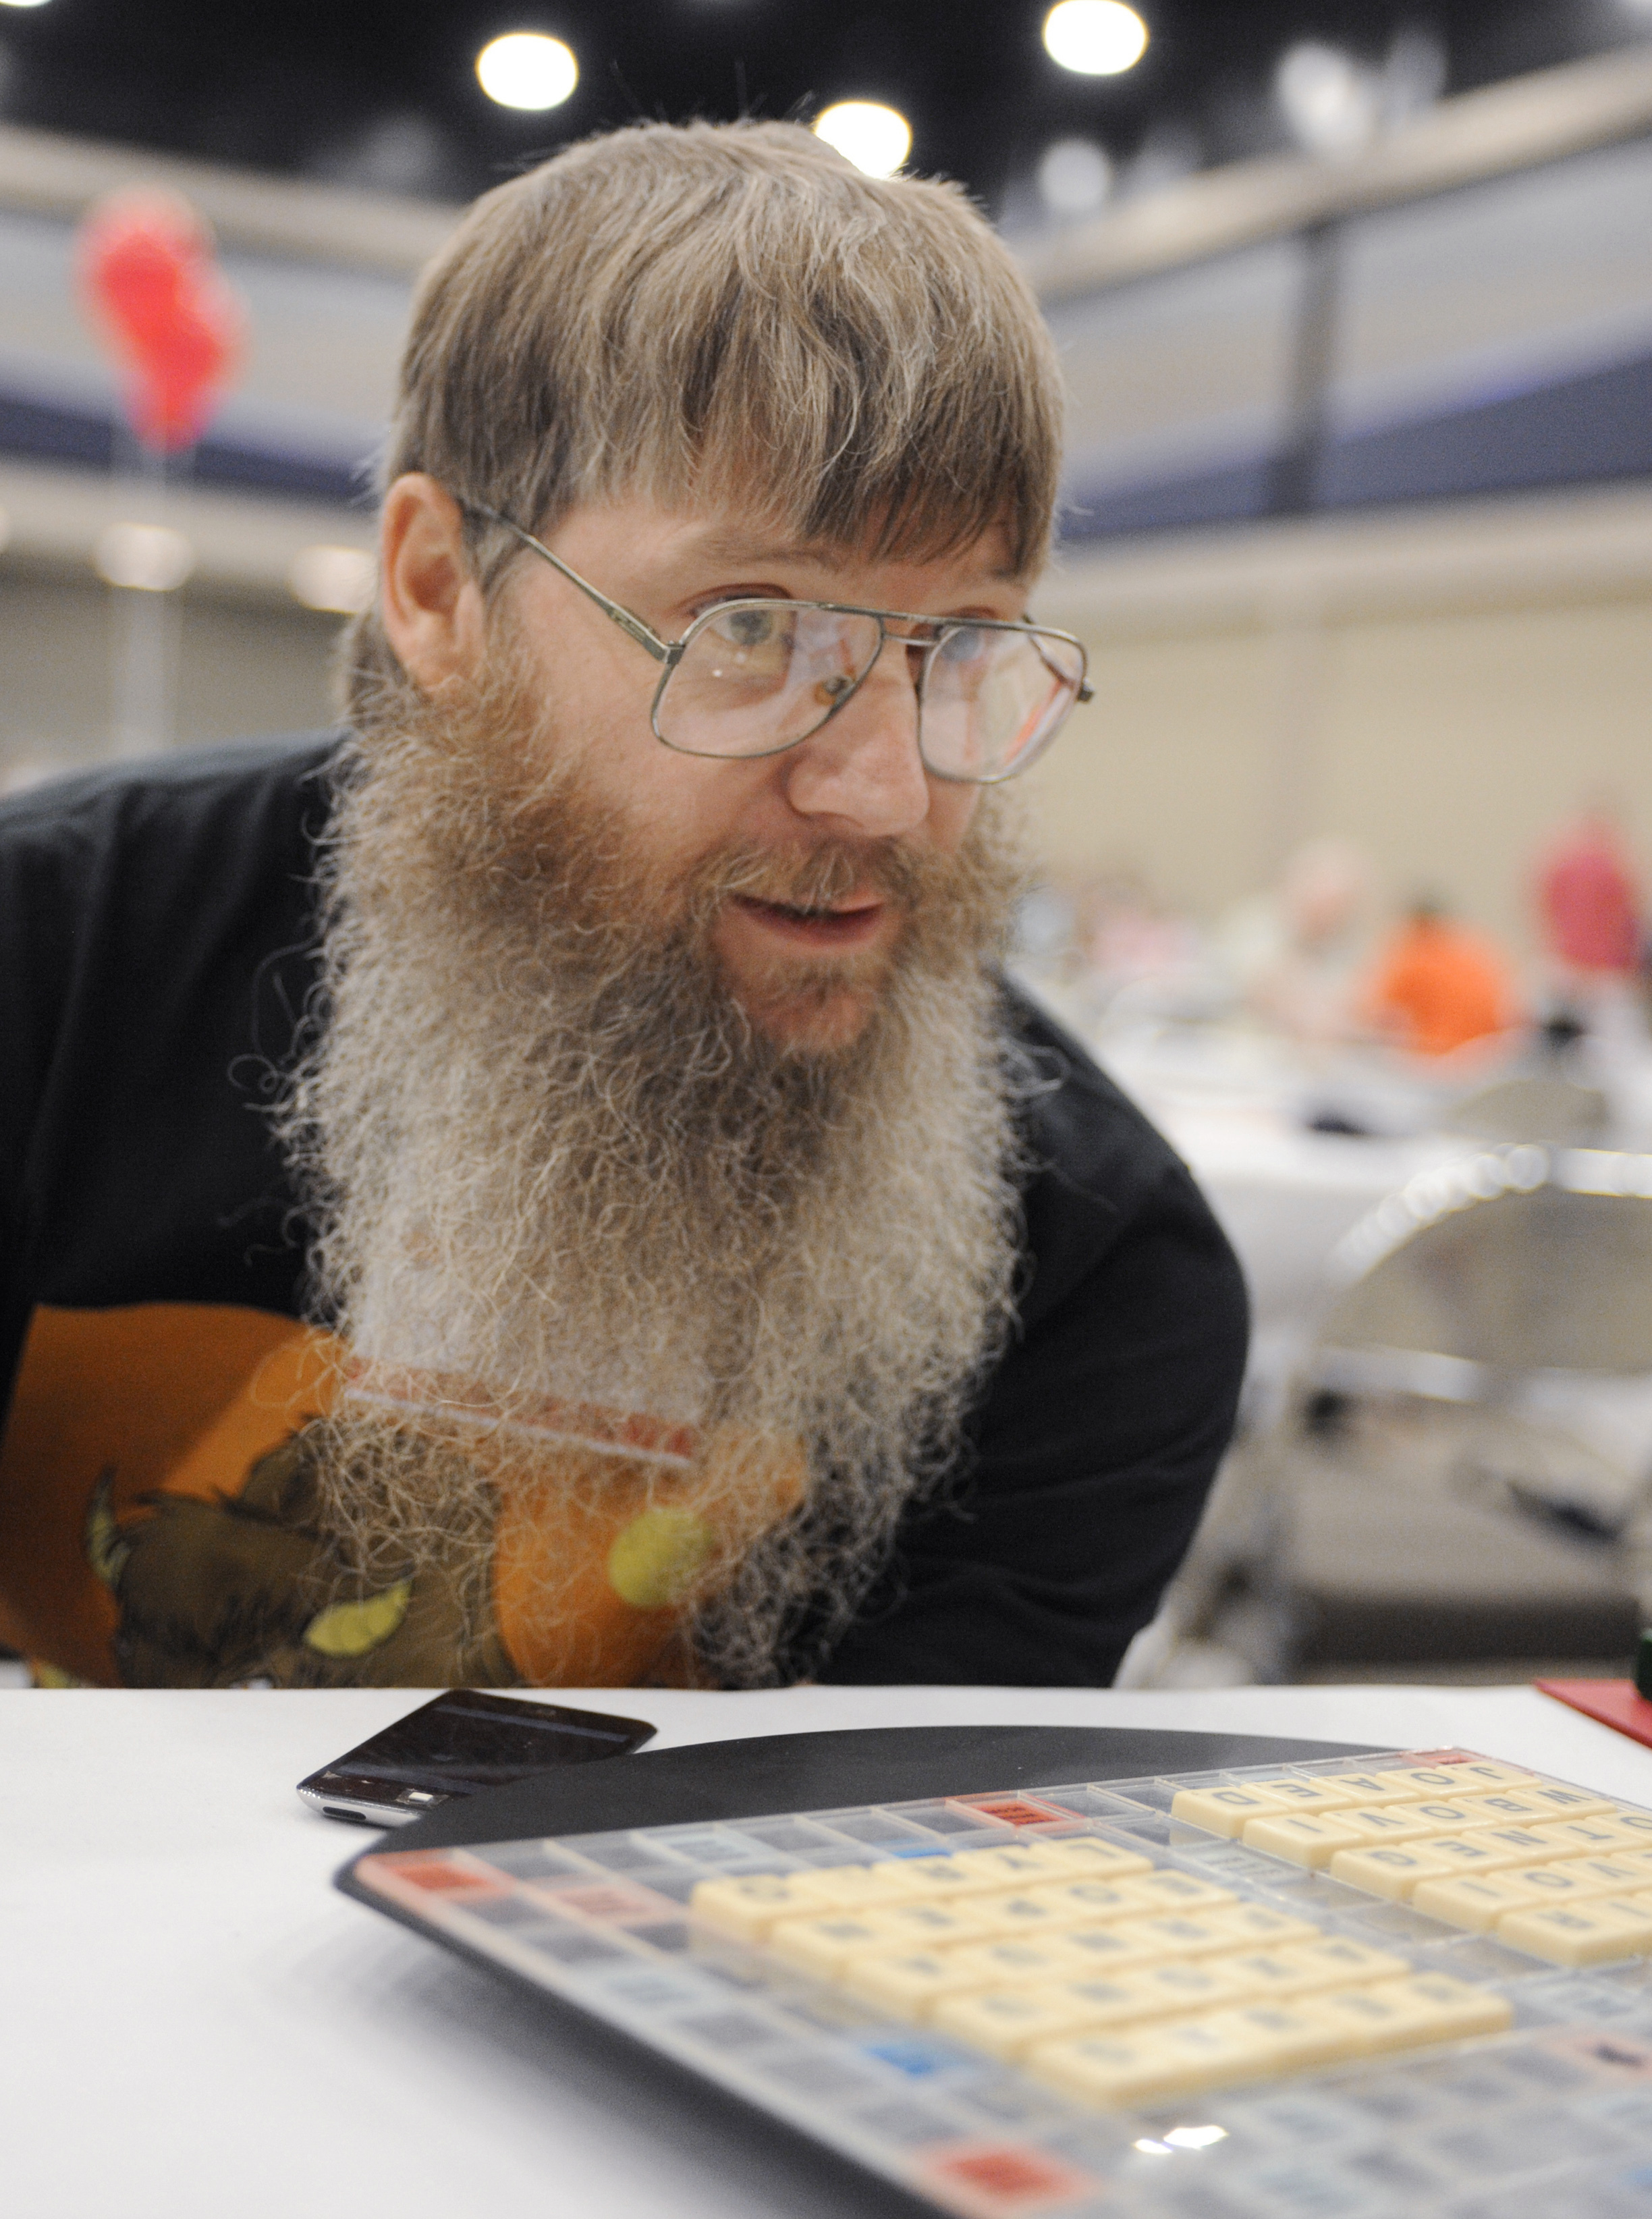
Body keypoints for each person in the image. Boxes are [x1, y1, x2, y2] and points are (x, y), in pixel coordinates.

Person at [0, 122, 1246, 1691]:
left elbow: (851, 1887)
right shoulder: (48, 966)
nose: (880, 791)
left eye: (958, 645)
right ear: (440, 593)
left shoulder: (1097, 1271)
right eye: (748, 627)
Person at [1363, 894, 1520, 1058]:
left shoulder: (1415, 953)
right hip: (1485, 1058)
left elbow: (1376, 1015)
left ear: (1415, 923)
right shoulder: (1479, 952)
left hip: (1435, 1057)